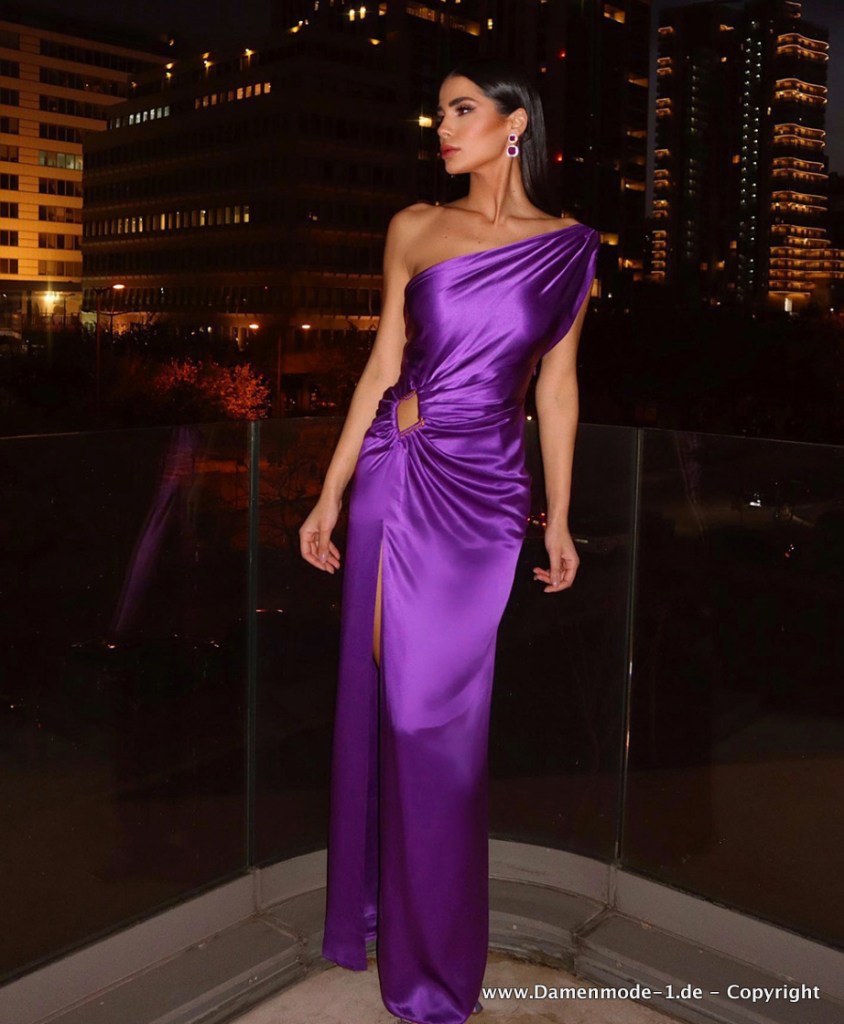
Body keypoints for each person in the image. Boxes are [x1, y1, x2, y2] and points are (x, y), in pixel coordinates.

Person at [299, 55, 600, 1024]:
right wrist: (329, 492)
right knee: (401, 710)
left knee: (443, 723)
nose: (442, 126)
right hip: (398, 472)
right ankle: (397, 935)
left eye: (461, 109)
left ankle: (430, 956)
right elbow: (380, 362)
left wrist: (560, 516)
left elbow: (557, 389)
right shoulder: (414, 228)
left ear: (515, 123)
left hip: (489, 497)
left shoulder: (569, 248)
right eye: (438, 112)